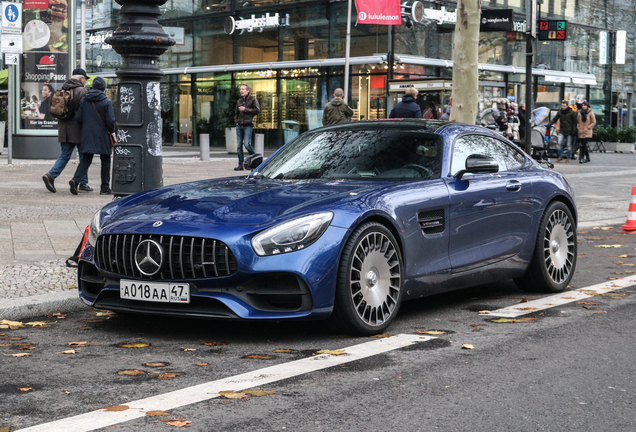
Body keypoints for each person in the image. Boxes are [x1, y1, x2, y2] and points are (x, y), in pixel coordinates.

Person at [42, 68, 91, 193]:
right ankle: (81, 182)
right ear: (81, 79)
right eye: (85, 79)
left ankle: (51, 176)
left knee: (64, 155)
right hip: (78, 129)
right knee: (84, 157)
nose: (85, 82)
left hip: (64, 128)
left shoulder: (62, 89)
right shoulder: (82, 91)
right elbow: (85, 111)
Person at [68, 76, 116, 195]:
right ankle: (104, 188)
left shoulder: (85, 100)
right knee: (105, 160)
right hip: (103, 135)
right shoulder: (106, 102)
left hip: (87, 134)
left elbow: (78, 118)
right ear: (103, 88)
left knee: (86, 159)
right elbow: (110, 121)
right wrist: (113, 132)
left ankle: (75, 180)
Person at [233, 84, 260, 171]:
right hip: (239, 125)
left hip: (248, 125)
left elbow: (257, 110)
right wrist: (236, 121)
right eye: (240, 89)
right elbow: (236, 113)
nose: (241, 91)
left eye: (243, 89)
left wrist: (245, 109)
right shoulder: (239, 101)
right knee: (239, 146)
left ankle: (256, 162)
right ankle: (240, 165)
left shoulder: (253, 99)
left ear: (248, 90)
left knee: (247, 144)